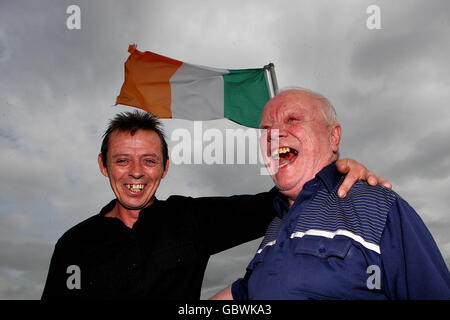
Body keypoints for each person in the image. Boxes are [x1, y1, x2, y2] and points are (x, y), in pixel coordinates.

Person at [41, 110, 390, 299]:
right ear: (103, 165)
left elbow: (277, 200)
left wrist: (332, 169)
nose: (136, 173)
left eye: (149, 160)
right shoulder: (74, 244)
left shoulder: (191, 219)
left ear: (165, 167)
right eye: (121, 161)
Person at [212, 88, 450, 300]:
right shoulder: (276, 225)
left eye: (292, 119)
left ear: (333, 137)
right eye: (265, 129)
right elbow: (246, 292)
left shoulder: (377, 205)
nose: (274, 134)